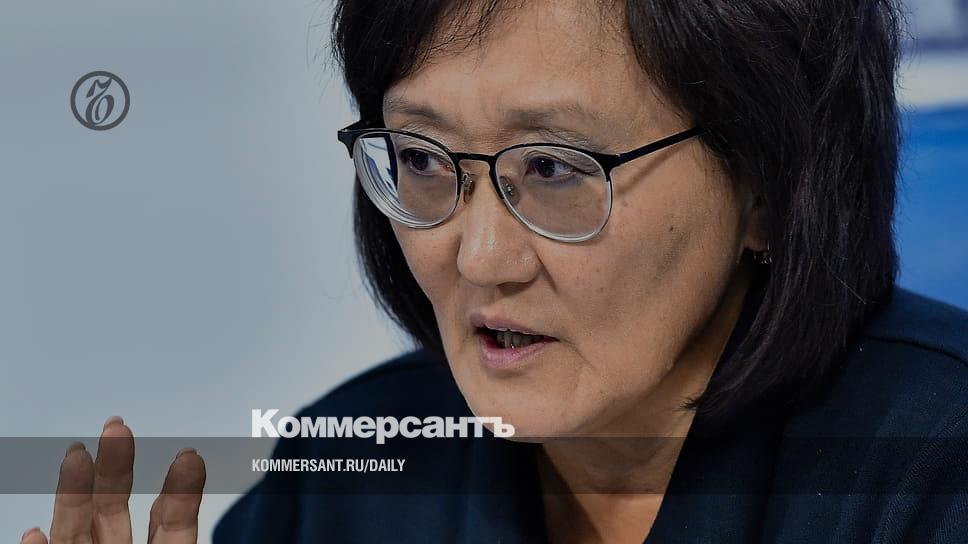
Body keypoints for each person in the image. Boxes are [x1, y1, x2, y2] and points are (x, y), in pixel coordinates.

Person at [21, 0, 968, 542]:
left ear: (764, 186)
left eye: (554, 168)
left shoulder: (932, 469)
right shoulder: (351, 478)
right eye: (423, 158)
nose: (478, 257)